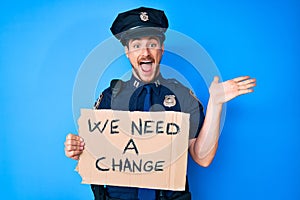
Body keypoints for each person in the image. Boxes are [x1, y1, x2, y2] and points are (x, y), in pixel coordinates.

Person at [64, 7, 256, 200]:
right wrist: (76, 148)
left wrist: (216, 104)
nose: (145, 53)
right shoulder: (109, 97)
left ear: (161, 50)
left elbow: (203, 157)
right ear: (127, 52)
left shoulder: (182, 96)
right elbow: (92, 150)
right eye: (137, 45)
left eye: (152, 44)